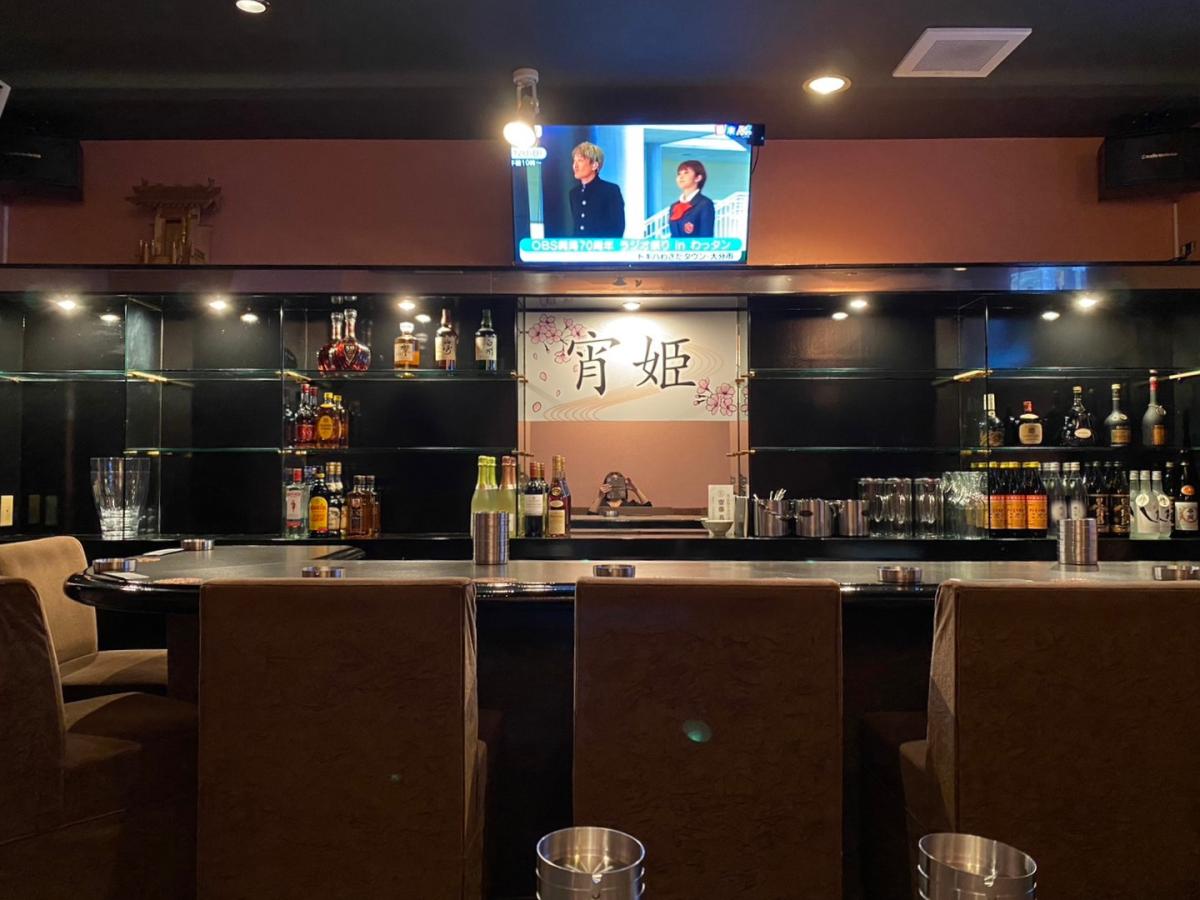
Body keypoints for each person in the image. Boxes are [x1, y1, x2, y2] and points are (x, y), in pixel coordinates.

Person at [568, 142, 626, 238]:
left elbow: (618, 228)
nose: (575, 166)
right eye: (574, 161)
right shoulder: (574, 193)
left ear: (594, 165)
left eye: (580, 161)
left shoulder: (611, 191)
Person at [668, 159, 715, 238]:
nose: (681, 177)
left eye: (686, 173)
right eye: (679, 174)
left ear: (698, 178)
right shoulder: (674, 206)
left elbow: (706, 236)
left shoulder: (705, 204)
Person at [587, 471, 652, 514]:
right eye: (611, 482)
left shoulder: (630, 505)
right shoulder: (600, 504)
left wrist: (636, 490)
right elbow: (590, 517)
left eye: (618, 482)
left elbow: (648, 508)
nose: (614, 486)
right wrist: (600, 497)